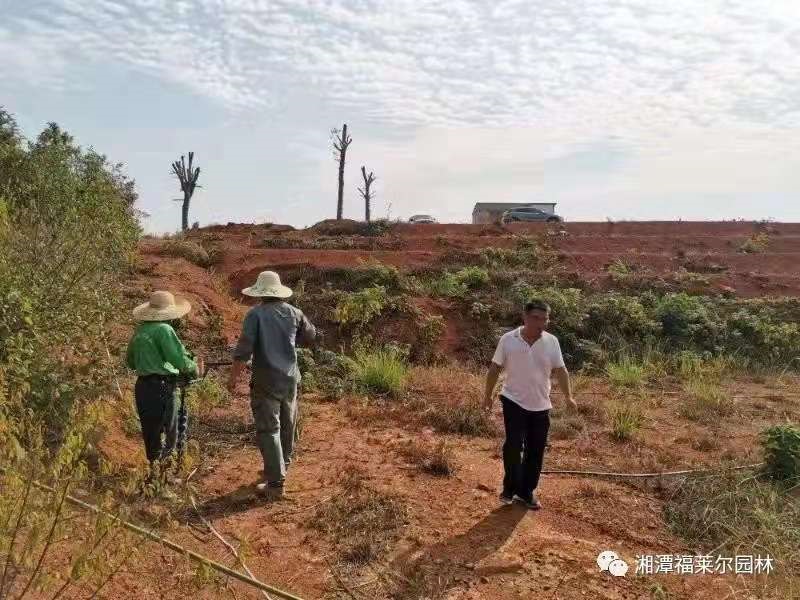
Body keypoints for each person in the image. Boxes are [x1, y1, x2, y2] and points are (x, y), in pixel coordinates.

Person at [227, 271, 316, 500]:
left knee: (269, 429)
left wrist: (233, 378)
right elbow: (311, 335)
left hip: (265, 380)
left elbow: (244, 350)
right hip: (290, 378)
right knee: (288, 424)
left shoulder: (255, 315)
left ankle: (275, 483)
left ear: (261, 293)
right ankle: (280, 466)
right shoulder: (294, 313)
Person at [483, 300, 576, 510]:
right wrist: (487, 396)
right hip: (513, 400)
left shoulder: (552, 342)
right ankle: (510, 488)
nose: (540, 323)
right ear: (524, 317)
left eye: (544, 319)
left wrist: (569, 396)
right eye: (535, 318)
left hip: (541, 404)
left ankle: (526, 492)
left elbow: (561, 370)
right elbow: (495, 368)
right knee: (514, 445)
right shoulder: (508, 340)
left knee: (536, 450)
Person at [126, 290, 201, 486]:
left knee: (150, 431)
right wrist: (193, 369)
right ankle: (166, 477)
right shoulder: (164, 330)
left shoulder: (140, 331)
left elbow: (131, 362)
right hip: (162, 387)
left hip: (142, 387)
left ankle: (154, 473)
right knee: (171, 430)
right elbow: (178, 359)